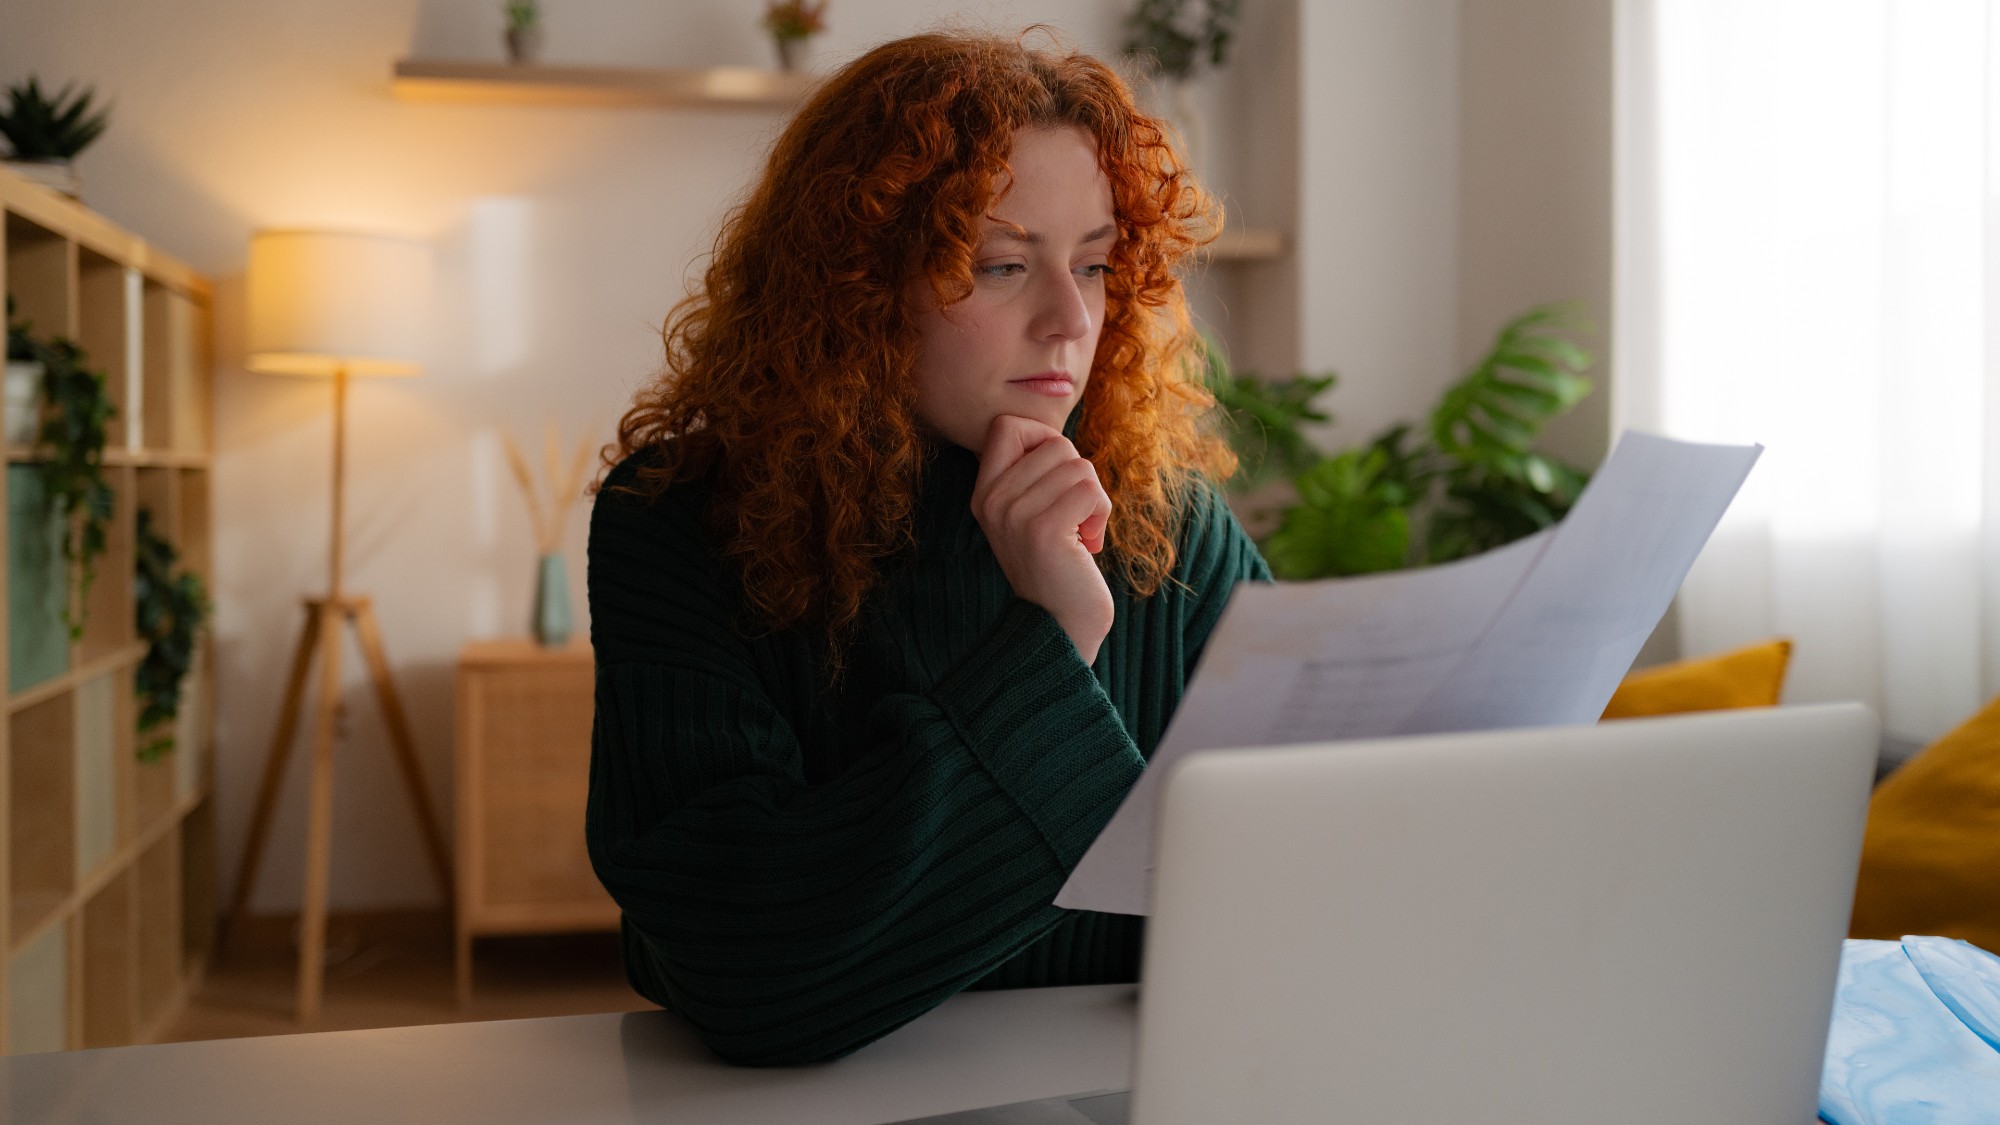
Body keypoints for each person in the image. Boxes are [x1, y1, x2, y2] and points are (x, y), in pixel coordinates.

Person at [585, 29, 1270, 1066]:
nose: (1066, 321)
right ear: (857, 286)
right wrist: (1052, 641)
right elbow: (740, 969)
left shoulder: (1160, 516)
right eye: (1000, 264)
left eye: (1092, 263)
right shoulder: (677, 521)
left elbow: (1293, 861)